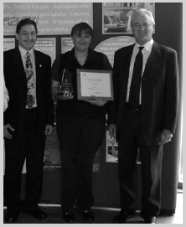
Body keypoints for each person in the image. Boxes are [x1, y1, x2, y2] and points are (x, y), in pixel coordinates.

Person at [109, 8, 179, 223]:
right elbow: (116, 91)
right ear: (131, 29)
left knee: (152, 171)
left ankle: (150, 212)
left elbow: (172, 94)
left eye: (144, 24)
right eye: (136, 25)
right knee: (125, 168)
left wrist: (169, 127)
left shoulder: (167, 54)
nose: (140, 28)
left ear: (153, 28)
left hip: (153, 122)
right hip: (126, 118)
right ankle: (127, 209)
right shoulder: (121, 55)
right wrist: (112, 120)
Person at [52, 22, 112, 223]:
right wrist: (59, 95)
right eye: (78, 36)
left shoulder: (100, 59)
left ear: (91, 39)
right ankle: (67, 208)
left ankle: (85, 206)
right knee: (68, 165)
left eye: (86, 36)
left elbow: (110, 89)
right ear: (72, 38)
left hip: (93, 122)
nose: (82, 39)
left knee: (86, 165)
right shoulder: (62, 60)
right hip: (67, 121)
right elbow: (53, 90)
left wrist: (104, 100)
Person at [4, 18, 54, 223]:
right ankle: (13, 207)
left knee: (36, 168)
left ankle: (32, 205)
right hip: (14, 122)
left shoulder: (44, 59)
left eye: (32, 33)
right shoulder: (5, 58)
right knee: (13, 168)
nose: (29, 37)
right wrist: (2, 122)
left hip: (37, 122)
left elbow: (46, 94)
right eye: (24, 33)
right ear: (16, 35)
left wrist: (50, 120)